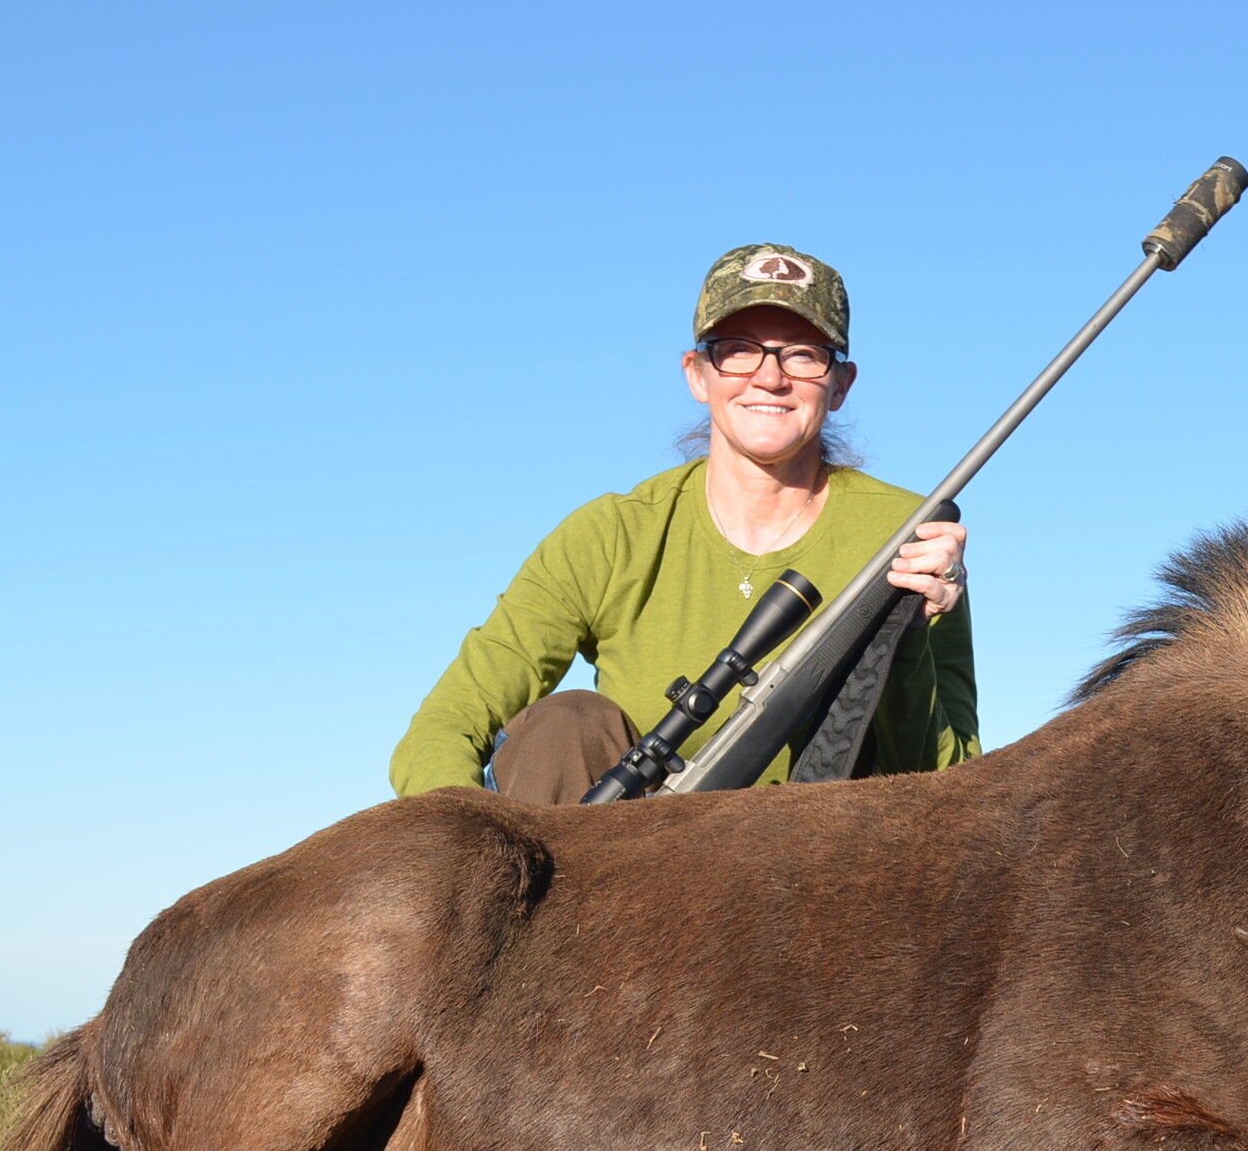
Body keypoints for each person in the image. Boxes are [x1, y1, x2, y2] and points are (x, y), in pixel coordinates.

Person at [390, 244, 978, 803]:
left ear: (840, 385)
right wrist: (471, 858)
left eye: (803, 354)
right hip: (628, 871)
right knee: (566, 724)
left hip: (825, 868)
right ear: (697, 374)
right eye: (739, 349)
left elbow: (953, 778)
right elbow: (443, 728)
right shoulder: (609, 533)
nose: (770, 378)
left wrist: (907, 641)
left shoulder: (910, 534)